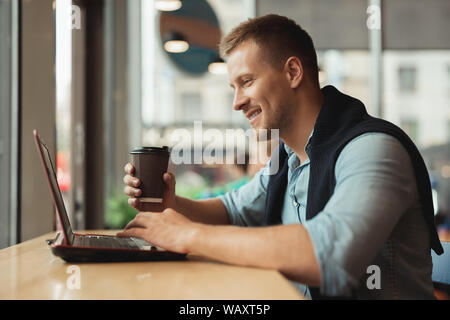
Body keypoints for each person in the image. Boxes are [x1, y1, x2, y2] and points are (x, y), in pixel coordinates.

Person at [119, 14, 443, 299]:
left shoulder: (372, 149)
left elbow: (329, 254)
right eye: (233, 87)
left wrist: (187, 234)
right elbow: (233, 211)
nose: (237, 102)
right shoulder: (286, 160)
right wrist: (170, 202)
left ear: (292, 72)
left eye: (246, 82)